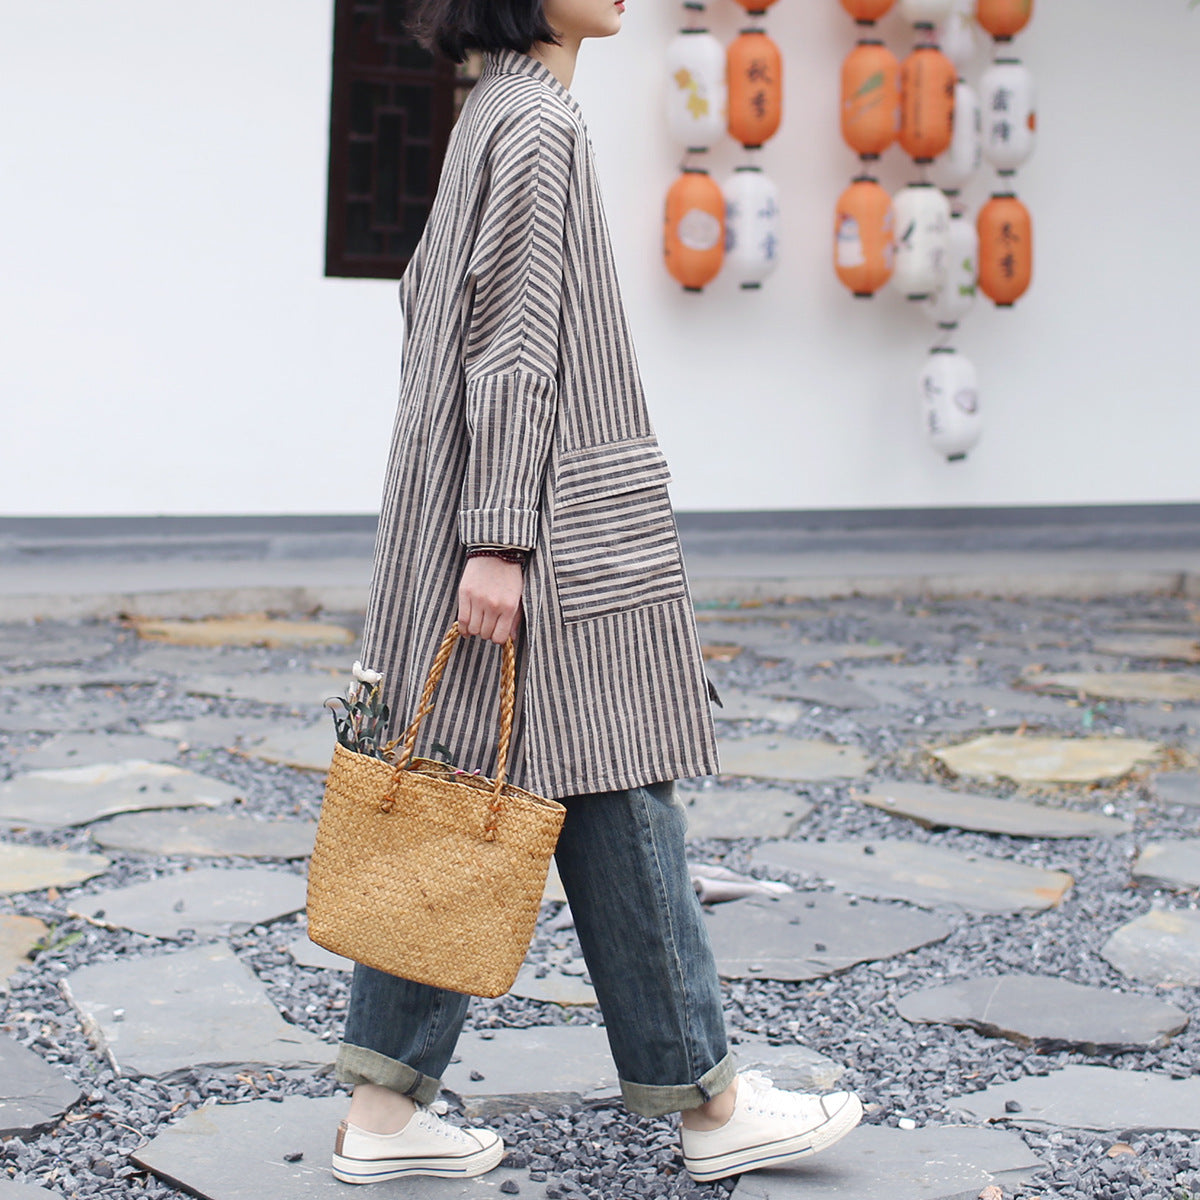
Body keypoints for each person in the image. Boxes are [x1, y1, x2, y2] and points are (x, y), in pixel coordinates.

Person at [331, 0, 863, 1185]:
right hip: (542, 531)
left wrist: (473, 516)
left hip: (499, 517)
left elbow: (426, 300)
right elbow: (513, 348)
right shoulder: (539, 125)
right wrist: (502, 537)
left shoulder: (495, 111)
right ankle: (713, 1110)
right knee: (588, 784)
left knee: (495, 789)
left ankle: (385, 1113)